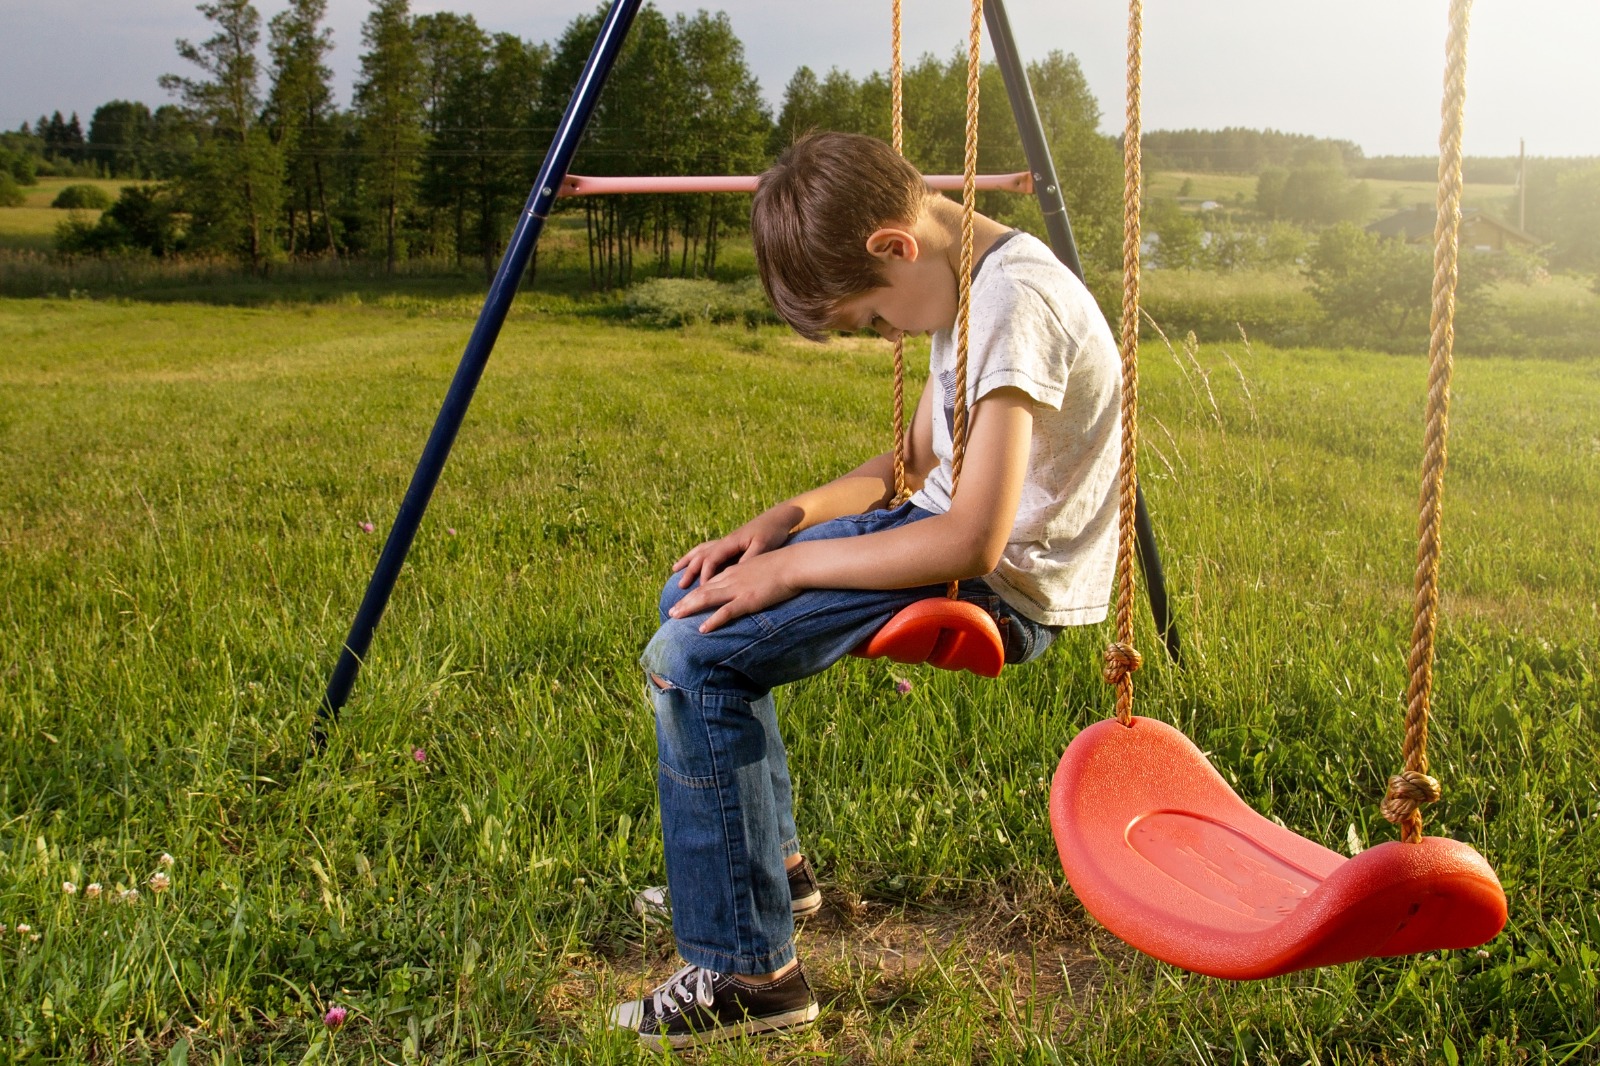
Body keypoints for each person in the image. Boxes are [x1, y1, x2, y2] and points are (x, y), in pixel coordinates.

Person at [609, 131, 1122, 1049]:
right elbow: (913, 465)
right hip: (940, 536)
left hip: (996, 580)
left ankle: (748, 972)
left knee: (690, 658)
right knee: (695, 591)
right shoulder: (968, 280)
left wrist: (796, 567)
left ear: (894, 246)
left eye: (871, 322)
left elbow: (970, 532)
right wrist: (786, 520)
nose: (888, 337)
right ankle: (765, 869)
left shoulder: (1016, 300)